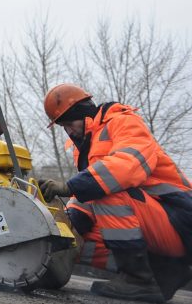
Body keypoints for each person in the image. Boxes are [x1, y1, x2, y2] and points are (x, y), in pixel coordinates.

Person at [38, 84, 192, 302]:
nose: (69, 131)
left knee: (104, 190)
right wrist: (70, 224)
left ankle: (137, 279)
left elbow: (123, 169)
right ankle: (162, 272)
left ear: (83, 114)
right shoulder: (86, 144)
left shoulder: (123, 122)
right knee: (76, 240)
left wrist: (70, 186)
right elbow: (88, 190)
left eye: (69, 124)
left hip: (179, 220)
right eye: (63, 127)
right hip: (156, 224)